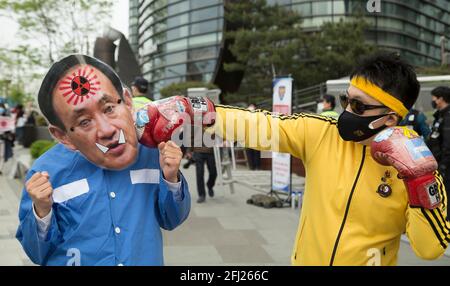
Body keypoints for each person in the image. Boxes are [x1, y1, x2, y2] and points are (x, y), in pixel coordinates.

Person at [211, 52, 450, 265]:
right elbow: (259, 124)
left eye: (358, 106)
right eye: (346, 100)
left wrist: (419, 182)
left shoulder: (419, 170)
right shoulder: (324, 132)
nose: (346, 111)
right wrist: (200, 112)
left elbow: (429, 249)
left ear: (390, 118)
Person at [16, 54, 191, 266]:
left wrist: (171, 179)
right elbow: (36, 253)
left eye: (109, 108)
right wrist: (41, 211)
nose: (107, 130)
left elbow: (172, 219)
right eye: (84, 121)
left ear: (127, 102)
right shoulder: (45, 173)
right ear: (62, 135)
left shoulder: (152, 153)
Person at [427, 86, 450, 221]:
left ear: (441, 99)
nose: (433, 101)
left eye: (434, 98)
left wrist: (443, 165)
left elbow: (448, 144)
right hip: (437, 161)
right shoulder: (439, 115)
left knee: (446, 192)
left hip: (445, 164)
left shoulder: (448, 116)